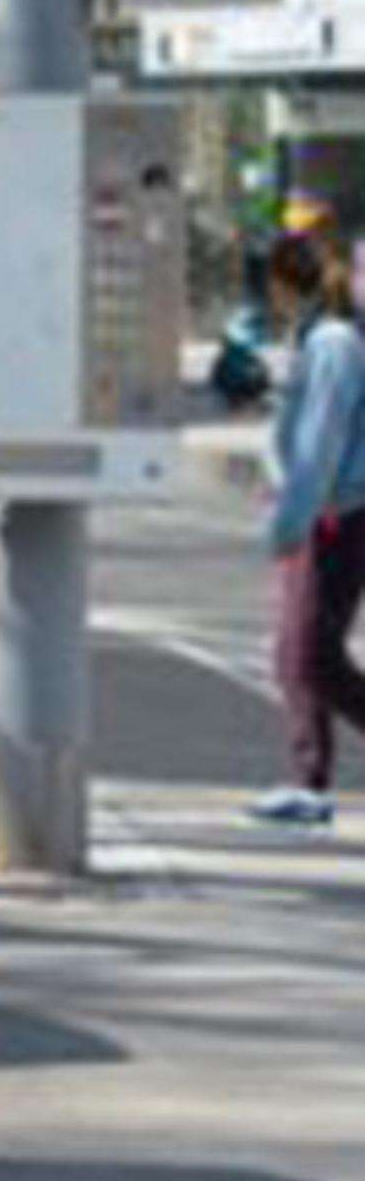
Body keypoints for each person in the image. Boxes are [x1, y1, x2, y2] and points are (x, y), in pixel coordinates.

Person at [251, 227, 365, 830]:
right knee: (300, 652)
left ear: (284, 282)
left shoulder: (332, 343)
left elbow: (319, 446)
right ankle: (308, 781)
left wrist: (288, 524)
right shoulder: (322, 338)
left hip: (334, 514)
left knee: (308, 654)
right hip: (329, 510)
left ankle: (308, 781)